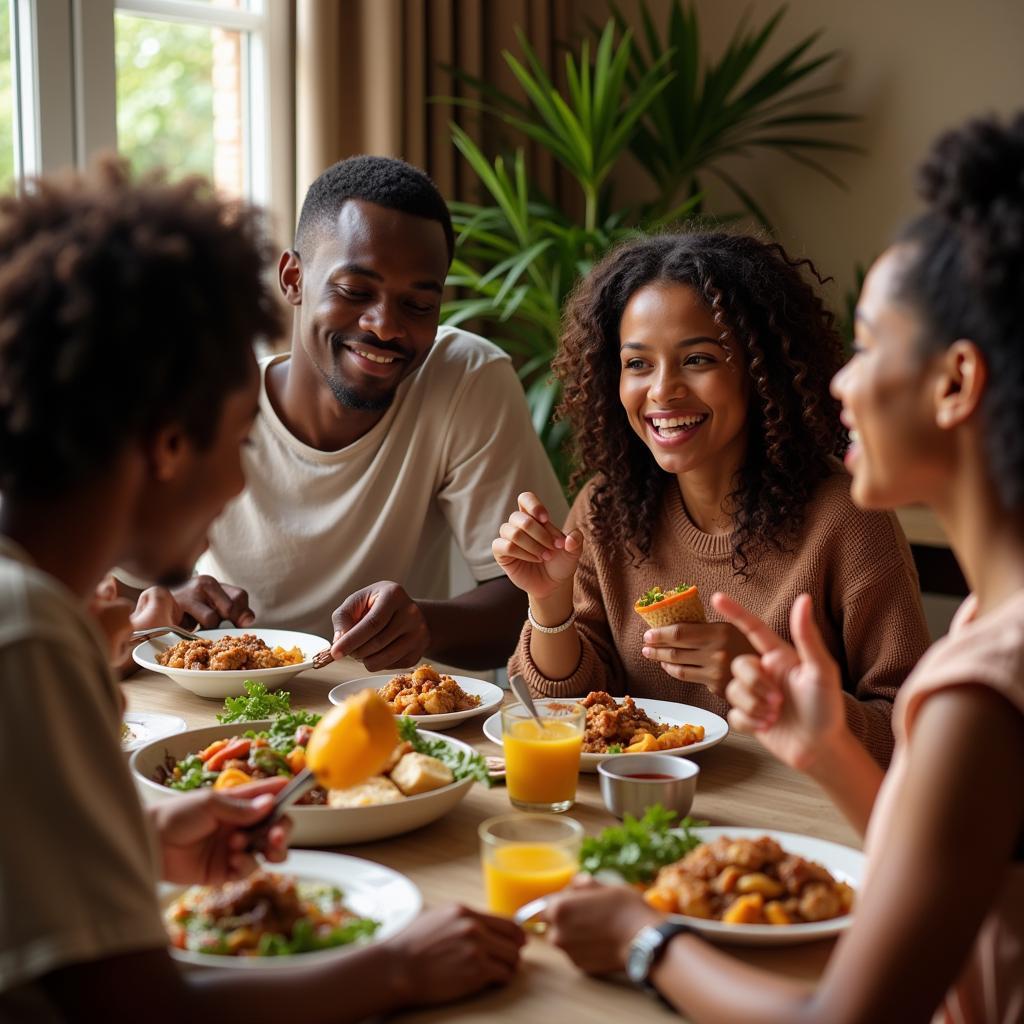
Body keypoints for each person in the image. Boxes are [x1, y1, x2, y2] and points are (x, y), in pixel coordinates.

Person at [0, 159, 523, 1021]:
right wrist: (394, 972)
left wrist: (143, 840)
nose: (246, 488)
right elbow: (137, 1013)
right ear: (170, 445)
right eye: (243, 442)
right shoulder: (31, 641)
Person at [539, 113, 1024, 1023]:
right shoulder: (991, 629)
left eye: (873, 345)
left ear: (955, 383)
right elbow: (933, 863)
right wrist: (826, 745)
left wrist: (648, 940)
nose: (839, 380)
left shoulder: (979, 687)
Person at [498, 231, 930, 764]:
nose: (662, 390)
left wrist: (777, 682)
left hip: (798, 824)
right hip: (644, 813)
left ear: (760, 369)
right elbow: (556, 719)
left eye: (698, 359)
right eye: (638, 364)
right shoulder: (606, 510)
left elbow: (917, 736)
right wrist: (549, 601)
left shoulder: (846, 518)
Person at [139, 154, 566, 672]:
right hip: (225, 711)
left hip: (402, 719)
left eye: (418, 305)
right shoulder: (208, 398)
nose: (385, 326)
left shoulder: (464, 379)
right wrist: (163, 600)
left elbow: (540, 596)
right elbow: (78, 583)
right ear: (293, 279)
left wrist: (426, 623)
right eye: (355, 291)